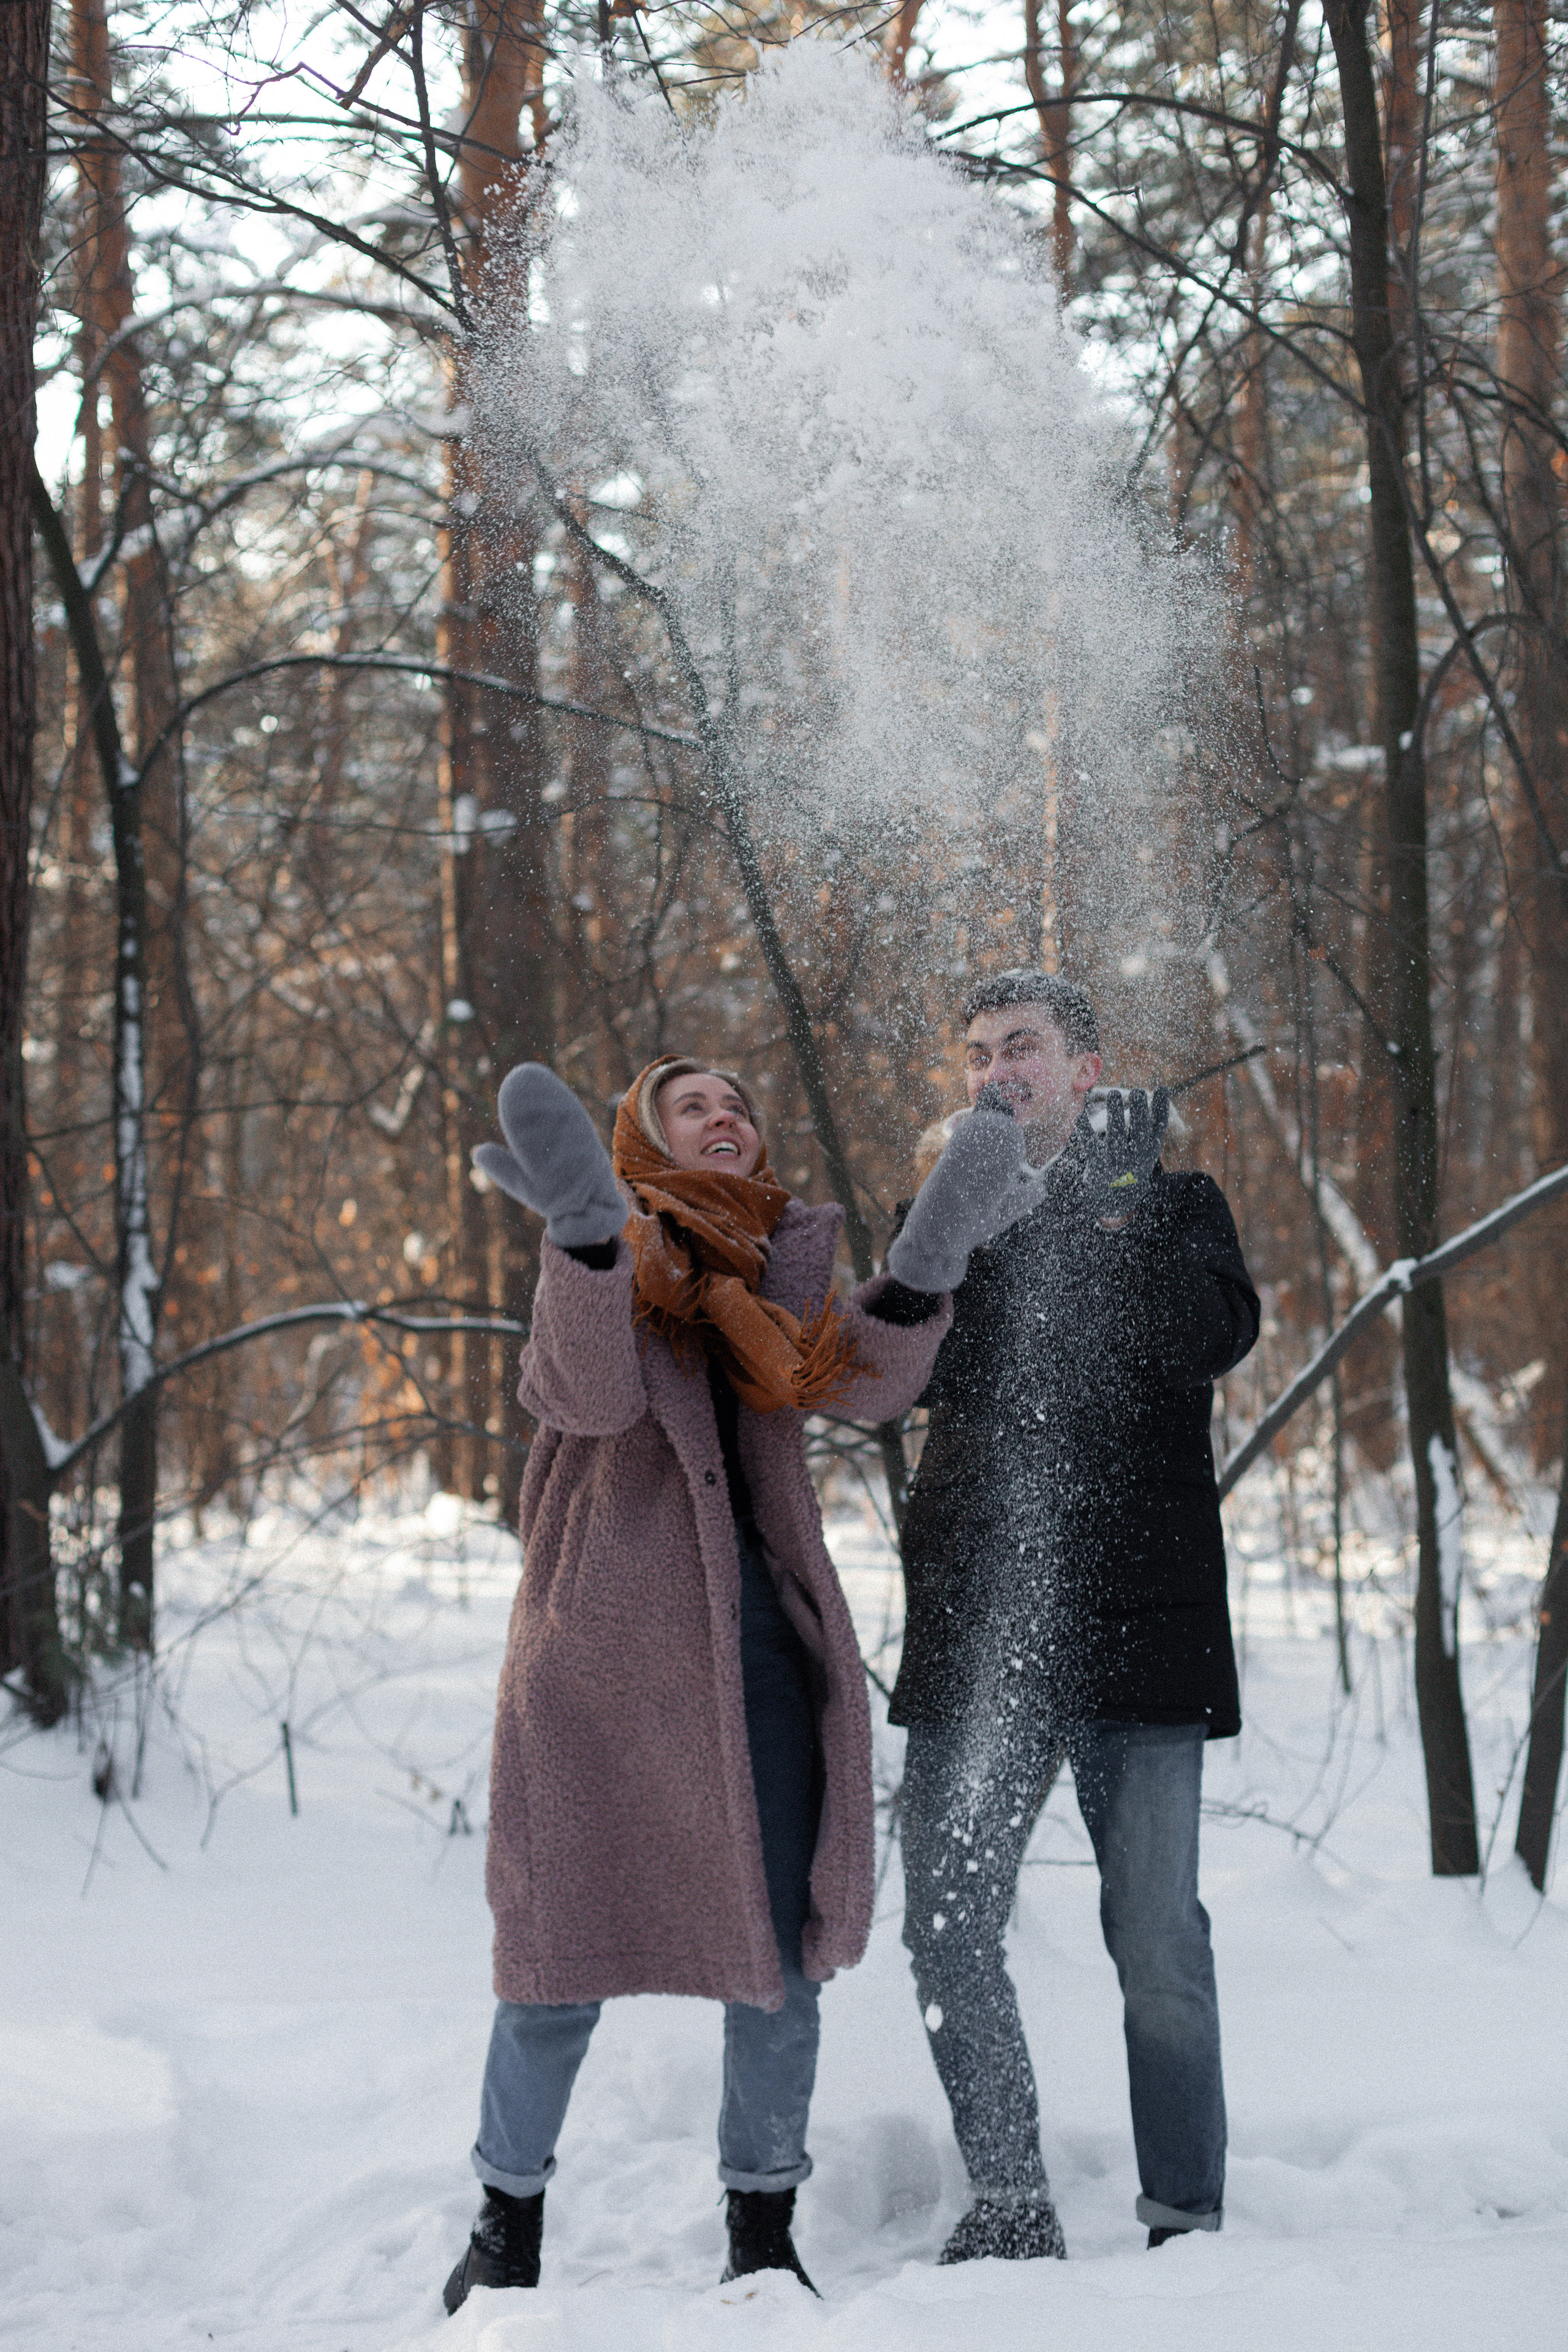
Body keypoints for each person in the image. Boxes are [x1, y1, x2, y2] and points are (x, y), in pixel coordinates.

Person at [443, 1054, 955, 2310]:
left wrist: (930, 1262)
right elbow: (587, 1390)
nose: (723, 1114)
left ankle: (761, 2231)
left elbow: (866, 1381)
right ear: (637, 1143)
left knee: (778, 1964)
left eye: (737, 1103)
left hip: (758, 1677)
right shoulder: (609, 1263)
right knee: (557, 1959)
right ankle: (504, 2228)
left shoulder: (772, 1272)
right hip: (597, 1675)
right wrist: (583, 1241)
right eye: (690, 1105)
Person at [884, 968, 1261, 2264]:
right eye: (979, 1050)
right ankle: (1004, 2200)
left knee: (1155, 1941)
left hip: (1141, 1632)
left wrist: (1101, 1212)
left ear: (1084, 1069)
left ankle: (1184, 2221)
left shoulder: (1171, 1203)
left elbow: (1208, 1334)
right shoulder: (942, 1215)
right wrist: (980, 1218)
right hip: (978, 1640)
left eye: (1024, 1046)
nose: (999, 1067)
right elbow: (920, 1370)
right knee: (944, 1924)